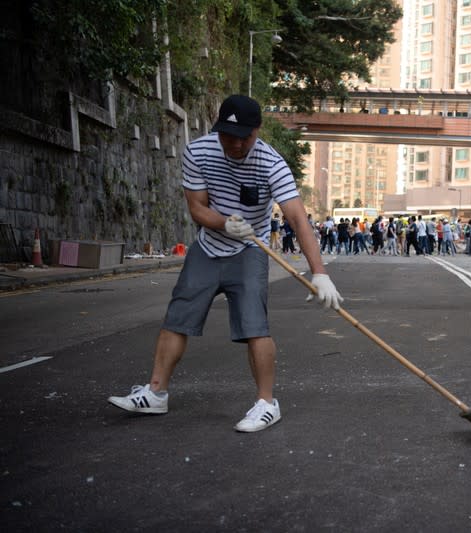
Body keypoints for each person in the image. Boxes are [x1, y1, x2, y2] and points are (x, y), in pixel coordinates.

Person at [107, 95, 343, 433]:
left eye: (243, 136)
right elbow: (196, 208)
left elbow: (297, 218)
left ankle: (266, 404)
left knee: (254, 326)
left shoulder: (271, 163)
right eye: (227, 134)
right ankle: (156, 393)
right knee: (177, 317)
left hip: (250, 249)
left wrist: (319, 273)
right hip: (209, 245)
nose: (234, 143)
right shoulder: (198, 152)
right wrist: (222, 223)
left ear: (257, 132)